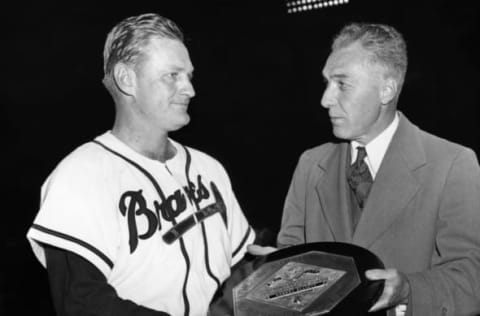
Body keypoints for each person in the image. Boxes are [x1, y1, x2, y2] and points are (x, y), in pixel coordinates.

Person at [27, 13, 255, 316]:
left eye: (189, 75)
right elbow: (81, 303)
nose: (190, 89)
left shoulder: (209, 169)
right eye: (172, 75)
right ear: (126, 79)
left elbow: (239, 271)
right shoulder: (79, 176)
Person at [249, 23, 480, 316]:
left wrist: (408, 289)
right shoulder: (310, 163)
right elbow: (293, 276)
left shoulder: (453, 163)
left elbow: (472, 278)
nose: (325, 99)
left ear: (387, 89)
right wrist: (277, 272)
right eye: (326, 83)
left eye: (342, 84)